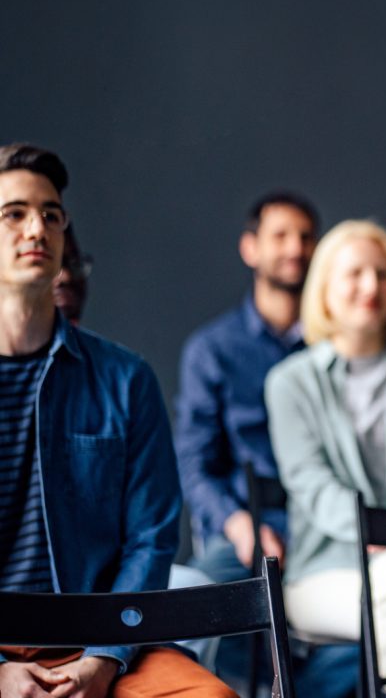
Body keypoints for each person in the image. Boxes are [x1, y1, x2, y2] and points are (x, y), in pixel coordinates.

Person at [0, 142, 234, 698]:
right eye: (14, 214)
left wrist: (104, 659)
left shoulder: (126, 378)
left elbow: (151, 540)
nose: (37, 229)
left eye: (51, 215)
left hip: (101, 638)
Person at [173, 191, 358, 694]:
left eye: (305, 237)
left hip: (327, 523)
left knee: (373, 618)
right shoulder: (213, 349)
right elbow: (194, 461)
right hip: (249, 525)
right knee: (200, 599)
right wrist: (237, 527)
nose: (295, 248)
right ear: (250, 248)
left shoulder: (339, 347)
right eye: (281, 236)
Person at [266, 219, 386, 683]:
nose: (372, 285)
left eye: (385, 274)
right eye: (355, 273)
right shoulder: (290, 383)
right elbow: (312, 486)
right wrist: (385, 535)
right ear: (324, 288)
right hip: (322, 575)